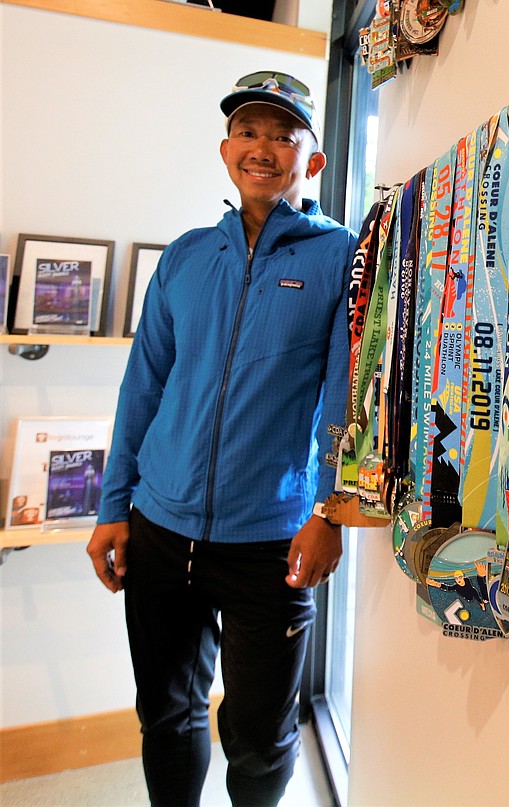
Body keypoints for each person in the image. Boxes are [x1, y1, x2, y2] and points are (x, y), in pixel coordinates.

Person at [86, 70, 356, 807]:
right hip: (159, 528)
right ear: (225, 147)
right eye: (248, 131)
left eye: (282, 134)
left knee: (261, 734)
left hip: (271, 542)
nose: (262, 148)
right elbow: (143, 387)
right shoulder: (184, 256)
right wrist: (115, 505)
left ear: (313, 161)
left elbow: (343, 396)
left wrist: (328, 511)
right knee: (166, 714)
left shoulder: (340, 258)